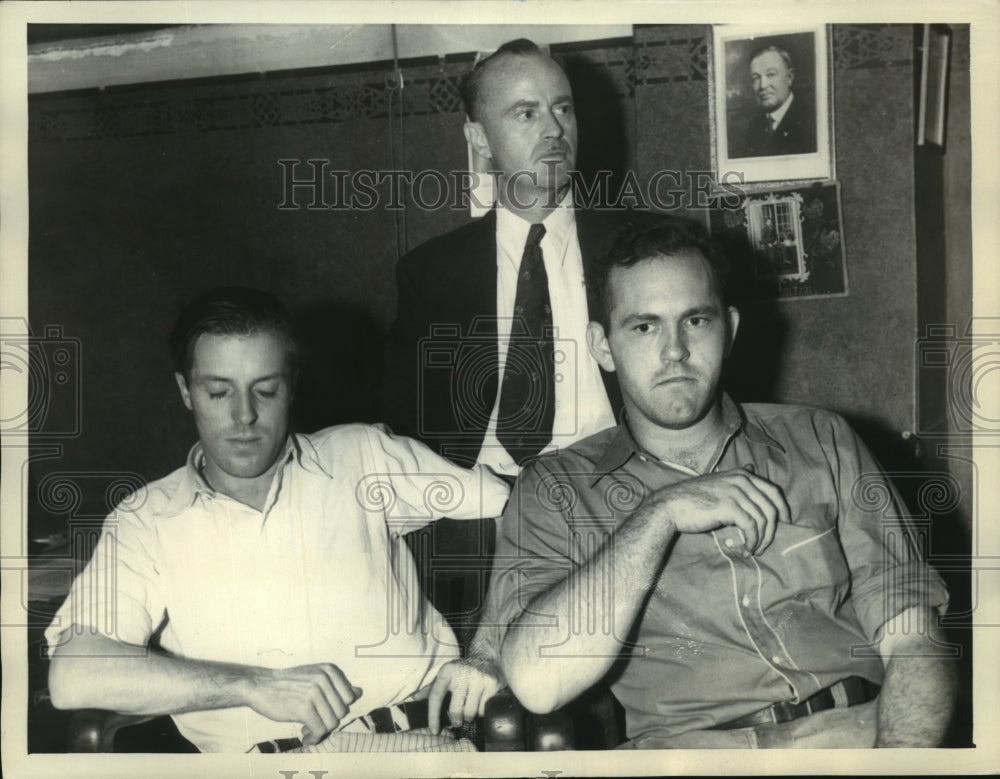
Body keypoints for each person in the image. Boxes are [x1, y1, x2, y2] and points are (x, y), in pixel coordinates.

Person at [489, 216, 957, 748]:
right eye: (644, 326)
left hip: (857, 734)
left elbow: (916, 641)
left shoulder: (822, 440)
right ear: (602, 346)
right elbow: (537, 682)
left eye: (696, 321)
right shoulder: (556, 490)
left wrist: (898, 763)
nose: (674, 351)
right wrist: (660, 514)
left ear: (729, 330)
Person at [45, 287, 511, 753]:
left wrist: (487, 652)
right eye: (218, 391)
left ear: (293, 385)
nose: (244, 415)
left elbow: (526, 507)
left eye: (266, 390)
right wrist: (253, 685)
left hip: (417, 747)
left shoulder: (362, 456)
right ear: (186, 391)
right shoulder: (146, 520)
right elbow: (73, 673)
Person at [381, 38, 627, 712]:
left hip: (611, 508)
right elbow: (404, 431)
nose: (554, 130)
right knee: (454, 708)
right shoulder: (432, 274)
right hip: (474, 526)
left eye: (563, 109)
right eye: (524, 114)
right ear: (479, 139)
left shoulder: (639, 248)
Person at [734, 44, 817, 158]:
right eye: (756, 78)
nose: (763, 85)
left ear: (789, 78)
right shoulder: (755, 126)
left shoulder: (812, 121)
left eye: (771, 74)